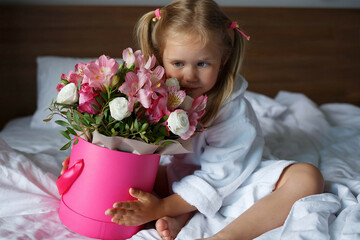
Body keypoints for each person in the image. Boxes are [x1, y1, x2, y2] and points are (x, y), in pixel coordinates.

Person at [62, 1, 324, 239]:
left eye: (202, 64)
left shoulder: (232, 109)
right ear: (160, 57)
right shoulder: (155, 96)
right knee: (131, 177)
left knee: (307, 177)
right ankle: (181, 216)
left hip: (238, 178)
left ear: (223, 60)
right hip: (189, 176)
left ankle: (226, 235)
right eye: (177, 63)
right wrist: (96, 163)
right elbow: (133, 145)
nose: (189, 75)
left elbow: (223, 175)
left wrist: (163, 206)